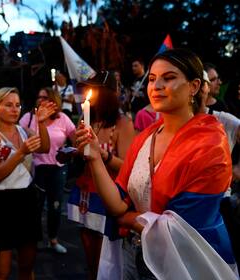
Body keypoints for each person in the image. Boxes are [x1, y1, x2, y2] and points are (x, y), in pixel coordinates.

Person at [75, 49, 237, 279]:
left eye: (168, 78)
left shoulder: (211, 144)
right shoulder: (145, 138)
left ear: (193, 86)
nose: (156, 86)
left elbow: (181, 230)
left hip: (191, 263)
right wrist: (94, 158)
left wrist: (127, 219)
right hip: (141, 256)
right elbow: (118, 203)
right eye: (152, 79)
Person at [0, 87, 55, 280]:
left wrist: (42, 123)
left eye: (17, 105)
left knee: (27, 265)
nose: (15, 109)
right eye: (8, 105)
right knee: (1, 271)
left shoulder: (24, 131)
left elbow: (46, 147)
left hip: (26, 199)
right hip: (1, 202)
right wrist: (21, 153)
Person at [68, 71, 135, 280]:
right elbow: (80, 151)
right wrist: (75, 151)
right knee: (89, 254)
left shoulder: (122, 124)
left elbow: (127, 166)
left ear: (104, 93)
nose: (86, 94)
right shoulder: (87, 118)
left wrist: (103, 155)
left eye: (92, 90)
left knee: (106, 257)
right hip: (86, 192)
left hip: (107, 196)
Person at [19, 87, 76, 254]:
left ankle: (53, 239)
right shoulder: (29, 118)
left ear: (53, 100)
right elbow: (17, 135)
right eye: (39, 97)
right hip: (36, 167)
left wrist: (72, 149)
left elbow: (75, 138)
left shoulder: (63, 118)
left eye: (44, 97)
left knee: (55, 206)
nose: (40, 100)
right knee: (35, 206)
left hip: (57, 168)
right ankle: (33, 240)